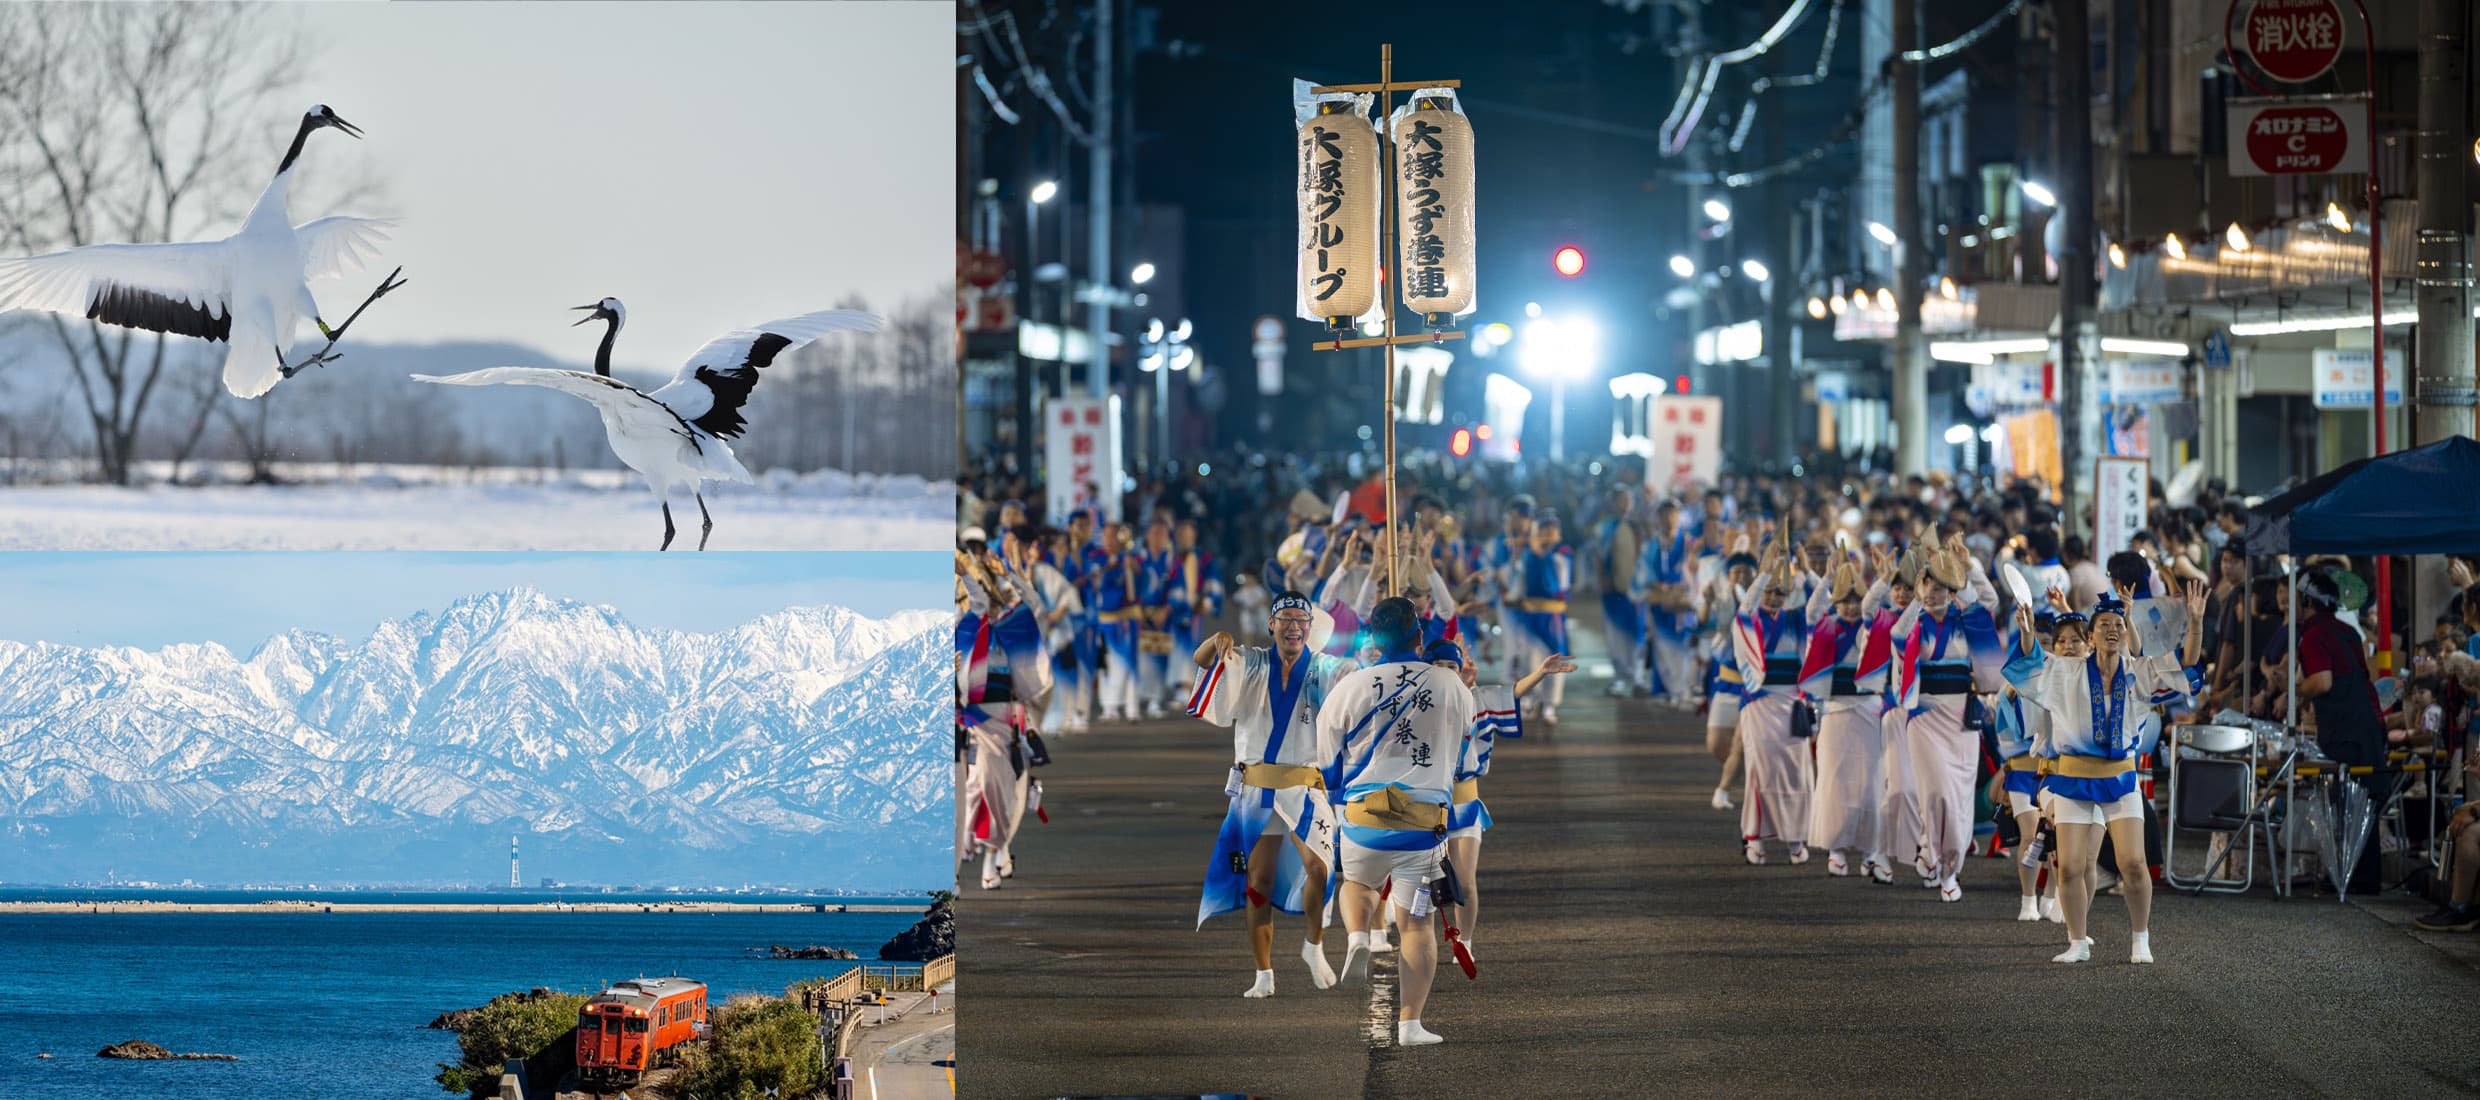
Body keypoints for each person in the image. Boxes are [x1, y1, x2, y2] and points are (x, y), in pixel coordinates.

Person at [2005, 584, 2205, 964]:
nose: (2112, 629)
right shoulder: (2066, 672)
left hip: (2120, 778)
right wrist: (2028, 631)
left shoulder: (2140, 673)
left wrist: (2195, 622)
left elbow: (2186, 664)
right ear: (2091, 635)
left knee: (2133, 862)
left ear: (2126, 632)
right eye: (2103, 625)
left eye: (2118, 624)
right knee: (2070, 865)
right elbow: (2031, 664)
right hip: (2073, 779)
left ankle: (2140, 939)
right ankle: (2077, 941)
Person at [1319, 597, 1477, 1048]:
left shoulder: (1350, 687)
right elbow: (1463, 755)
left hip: (1362, 820)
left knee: (1358, 885)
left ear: (1372, 641)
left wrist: (1340, 802)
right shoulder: (1451, 686)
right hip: (1423, 830)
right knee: (1416, 926)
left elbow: (1327, 766)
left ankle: (1356, 937)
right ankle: (1410, 1025)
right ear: (1420, 638)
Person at [1188, 591, 1359, 998]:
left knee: (1320, 869)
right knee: (1257, 881)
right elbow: (1202, 661)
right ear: (1272, 625)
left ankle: (1313, 945)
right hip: (1255, 791)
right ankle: (1263, 974)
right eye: (1286, 619)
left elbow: (1358, 684)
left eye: (1302, 619)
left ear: (1310, 627)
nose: (1294, 626)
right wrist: (1215, 642)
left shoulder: (1328, 669)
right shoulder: (1249, 661)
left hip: (1303, 787)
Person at [1435, 639, 1571, 968]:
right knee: (1424, 883)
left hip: (1465, 803)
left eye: (1451, 668)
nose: (1447, 674)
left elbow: (1512, 692)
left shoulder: (1477, 700)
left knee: (1465, 879)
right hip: (1426, 805)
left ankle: (1465, 940)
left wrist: (1540, 672)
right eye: (1439, 668)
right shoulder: (1419, 705)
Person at [1892, 539, 2001, 901]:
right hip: (1923, 717)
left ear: (1952, 592)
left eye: (1940, 588)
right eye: (1928, 587)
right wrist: (1916, 599)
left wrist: (1969, 568)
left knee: (1957, 798)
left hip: (1960, 719)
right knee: (1935, 791)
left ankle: (1949, 869)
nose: (1933, 594)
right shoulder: (1913, 623)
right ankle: (1932, 849)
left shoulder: (1965, 620)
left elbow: (1990, 603)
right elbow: (1896, 635)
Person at [1732, 542, 1817, 866]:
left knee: (1797, 774)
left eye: (1779, 593)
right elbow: (1747, 602)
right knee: (1760, 771)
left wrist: (1805, 569)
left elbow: (1820, 603)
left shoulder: (1797, 620)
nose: (1773, 598)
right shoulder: (1748, 619)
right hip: (1759, 704)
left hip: (1792, 705)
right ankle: (1754, 837)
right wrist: (1766, 569)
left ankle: (1796, 838)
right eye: (1769, 592)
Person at [1798, 559, 1884, 878]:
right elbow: (1810, 612)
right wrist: (1826, 579)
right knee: (1834, 783)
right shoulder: (1825, 629)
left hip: (1869, 713)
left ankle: (1870, 850)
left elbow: (1878, 606)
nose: (1850, 607)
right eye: (1844, 600)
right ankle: (1835, 848)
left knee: (1871, 785)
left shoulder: (1874, 629)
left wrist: (1884, 579)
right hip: (1834, 713)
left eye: (1855, 600)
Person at [1703, 547, 1760, 811]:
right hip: (1726, 681)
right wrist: (1706, 601)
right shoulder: (1723, 601)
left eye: (1746, 572)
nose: (1740, 576)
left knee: (1741, 742)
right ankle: (1754, 777)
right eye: (1735, 572)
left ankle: (1725, 790)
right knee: (1716, 744)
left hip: (1753, 685)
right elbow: (1702, 623)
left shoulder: (1764, 603)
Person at [1505, 512, 1574, 724]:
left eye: (1552, 530)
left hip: (1553, 619)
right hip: (1530, 617)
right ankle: (1529, 699)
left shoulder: (1562, 554)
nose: (1548, 534)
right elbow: (1517, 587)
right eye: (1544, 530)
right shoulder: (1527, 555)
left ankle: (1550, 704)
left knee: (1554, 660)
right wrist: (1517, 561)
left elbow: (1556, 586)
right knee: (1529, 660)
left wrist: (1537, 555)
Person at [1636, 500, 1704, 709]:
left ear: (1679, 516)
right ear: (1658, 518)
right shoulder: (1652, 545)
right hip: (1661, 601)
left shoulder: (1689, 543)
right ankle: (1667, 690)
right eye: (1664, 515)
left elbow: (1697, 570)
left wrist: (1685, 585)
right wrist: (1658, 586)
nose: (1669, 519)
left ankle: (1682, 689)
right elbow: (1643, 573)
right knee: (1662, 647)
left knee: (1685, 647)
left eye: (1673, 514)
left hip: (1683, 601)